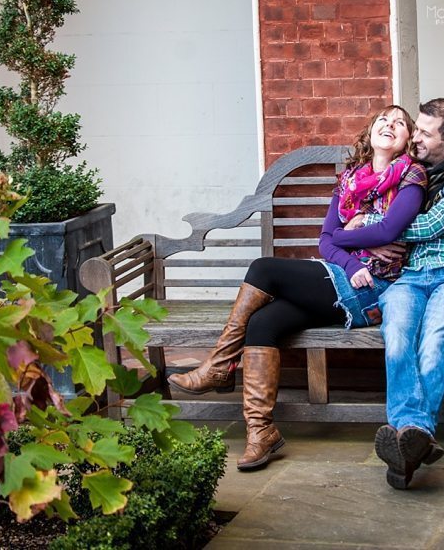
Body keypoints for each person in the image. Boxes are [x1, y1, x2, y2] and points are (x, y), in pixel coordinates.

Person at [167, 105, 428, 471]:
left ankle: (219, 365)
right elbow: (326, 241)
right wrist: (351, 255)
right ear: (370, 132)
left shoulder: (411, 177)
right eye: (383, 119)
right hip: (347, 276)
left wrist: (350, 234)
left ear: (406, 141)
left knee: (263, 269)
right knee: (263, 324)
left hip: (378, 288)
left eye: (400, 123)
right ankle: (261, 434)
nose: (390, 124)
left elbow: (387, 232)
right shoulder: (350, 180)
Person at [332, 98, 444, 489]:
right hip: (411, 278)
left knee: (434, 340)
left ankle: (408, 432)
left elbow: (430, 225)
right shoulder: (412, 174)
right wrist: (364, 232)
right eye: (415, 129)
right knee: (398, 336)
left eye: (424, 132)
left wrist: (368, 224)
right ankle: (412, 444)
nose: (415, 138)